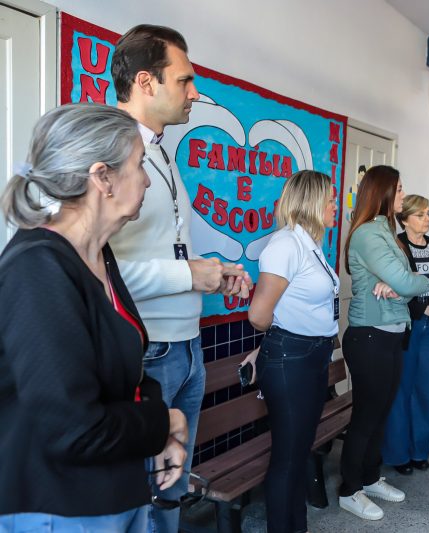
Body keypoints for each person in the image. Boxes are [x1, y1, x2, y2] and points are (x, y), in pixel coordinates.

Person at [0, 103, 188, 531]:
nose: (146, 180)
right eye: (140, 165)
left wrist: (159, 434)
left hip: (112, 492)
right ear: (103, 177)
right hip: (58, 505)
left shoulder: (98, 255)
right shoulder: (37, 269)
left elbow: (128, 372)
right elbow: (74, 429)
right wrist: (165, 423)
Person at [110, 25, 252, 532]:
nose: (195, 92)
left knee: (171, 488)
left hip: (187, 345)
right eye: (185, 80)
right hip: (148, 350)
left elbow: (170, 248)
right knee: (140, 497)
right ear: (146, 82)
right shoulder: (109, 151)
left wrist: (214, 272)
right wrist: (187, 272)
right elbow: (95, 271)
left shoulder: (163, 151)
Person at [234, 171, 338, 533]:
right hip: (290, 359)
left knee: (299, 453)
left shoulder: (309, 244)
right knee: (288, 457)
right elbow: (259, 315)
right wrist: (281, 340)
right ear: (311, 203)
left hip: (310, 356)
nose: (335, 206)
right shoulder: (285, 245)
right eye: (330, 199)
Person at [338, 165, 429, 521]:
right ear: (385, 192)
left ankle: (370, 476)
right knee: (365, 415)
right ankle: (349, 489)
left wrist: (406, 282)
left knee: (381, 412)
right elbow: (408, 283)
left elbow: (404, 282)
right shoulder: (368, 235)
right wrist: (411, 281)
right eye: (400, 189)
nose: (404, 195)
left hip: (390, 334)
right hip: (370, 336)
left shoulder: (385, 231)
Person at [382, 195, 429, 476]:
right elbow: (398, 291)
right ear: (405, 218)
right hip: (408, 324)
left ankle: (419, 451)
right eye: (422, 215)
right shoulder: (397, 245)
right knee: (402, 390)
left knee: (426, 389)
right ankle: (398, 453)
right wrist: (428, 309)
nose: (428, 219)